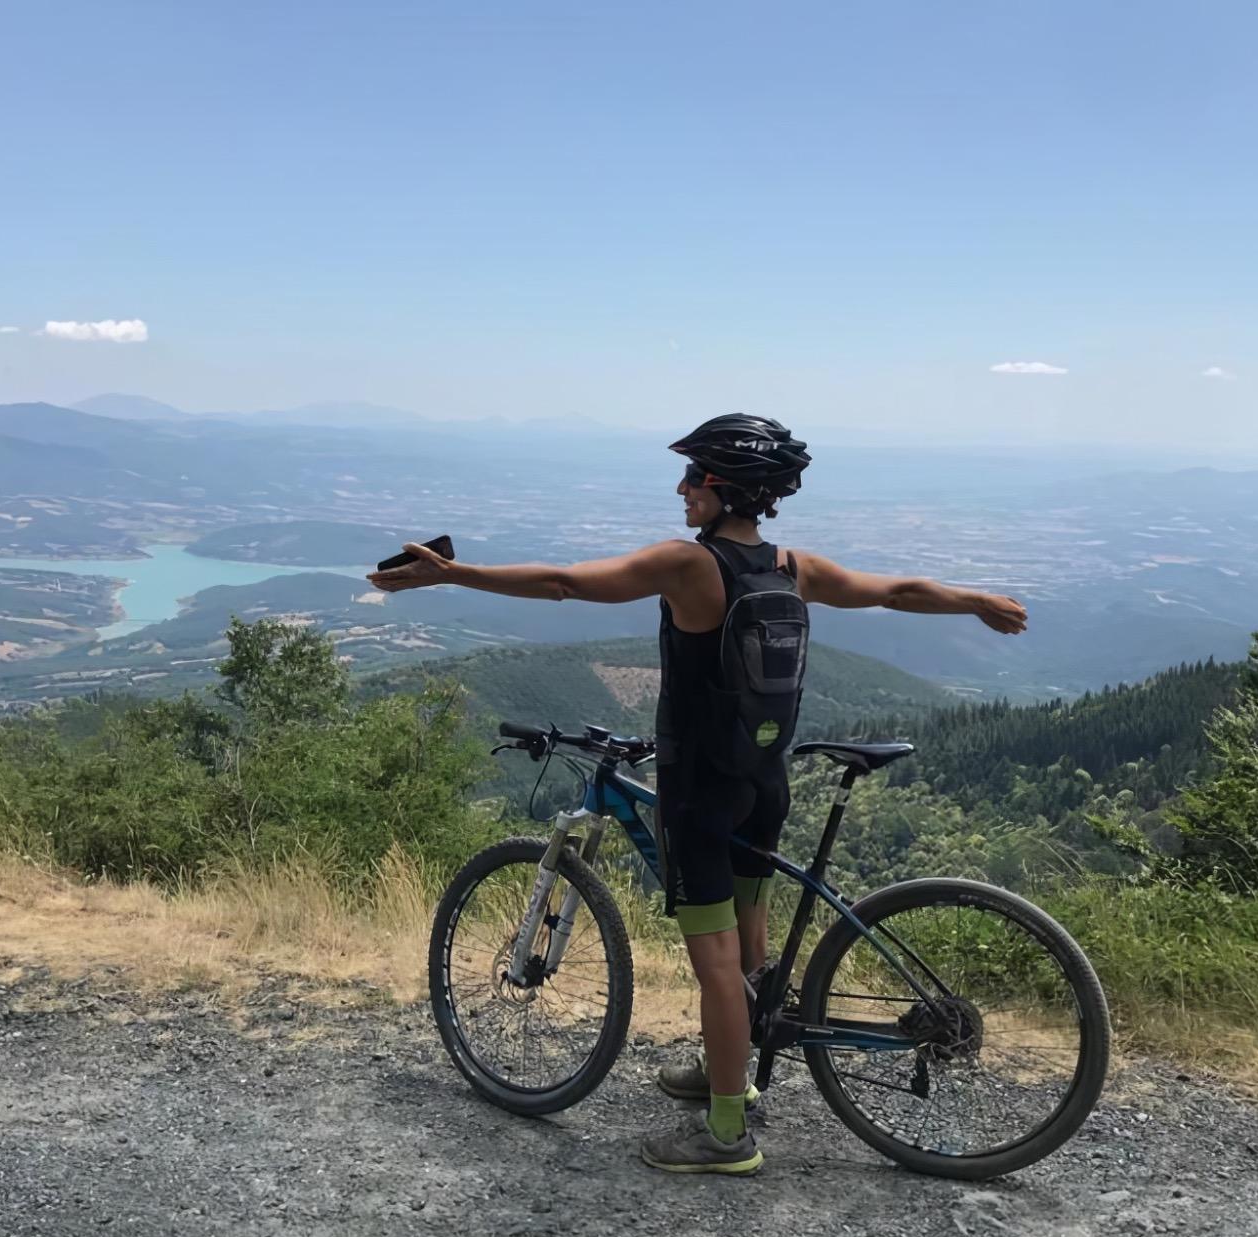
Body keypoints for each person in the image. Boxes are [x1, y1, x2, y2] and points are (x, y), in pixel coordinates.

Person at [368, 414, 1027, 1174]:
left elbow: (564, 584)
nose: (681, 490)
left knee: (714, 962)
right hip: (762, 784)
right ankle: (728, 1072)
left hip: (702, 794)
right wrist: (976, 600)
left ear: (723, 489)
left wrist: (454, 575)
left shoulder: (690, 566)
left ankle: (726, 1134)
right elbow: (899, 591)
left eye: (692, 478)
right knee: (747, 944)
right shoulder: (794, 567)